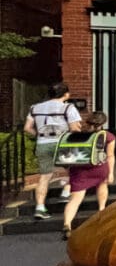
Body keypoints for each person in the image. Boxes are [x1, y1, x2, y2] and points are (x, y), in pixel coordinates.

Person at [23, 82, 82, 220]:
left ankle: (40, 207)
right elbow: (74, 128)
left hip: (42, 143)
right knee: (73, 169)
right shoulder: (68, 107)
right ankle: (66, 192)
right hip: (62, 143)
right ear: (66, 94)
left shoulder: (35, 107)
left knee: (44, 176)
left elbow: (27, 128)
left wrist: (38, 135)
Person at [61, 111, 116, 240]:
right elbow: (110, 155)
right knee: (102, 186)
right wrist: (111, 172)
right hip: (99, 167)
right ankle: (101, 211)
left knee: (75, 200)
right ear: (103, 123)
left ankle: (67, 224)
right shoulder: (108, 136)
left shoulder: (78, 135)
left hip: (80, 169)